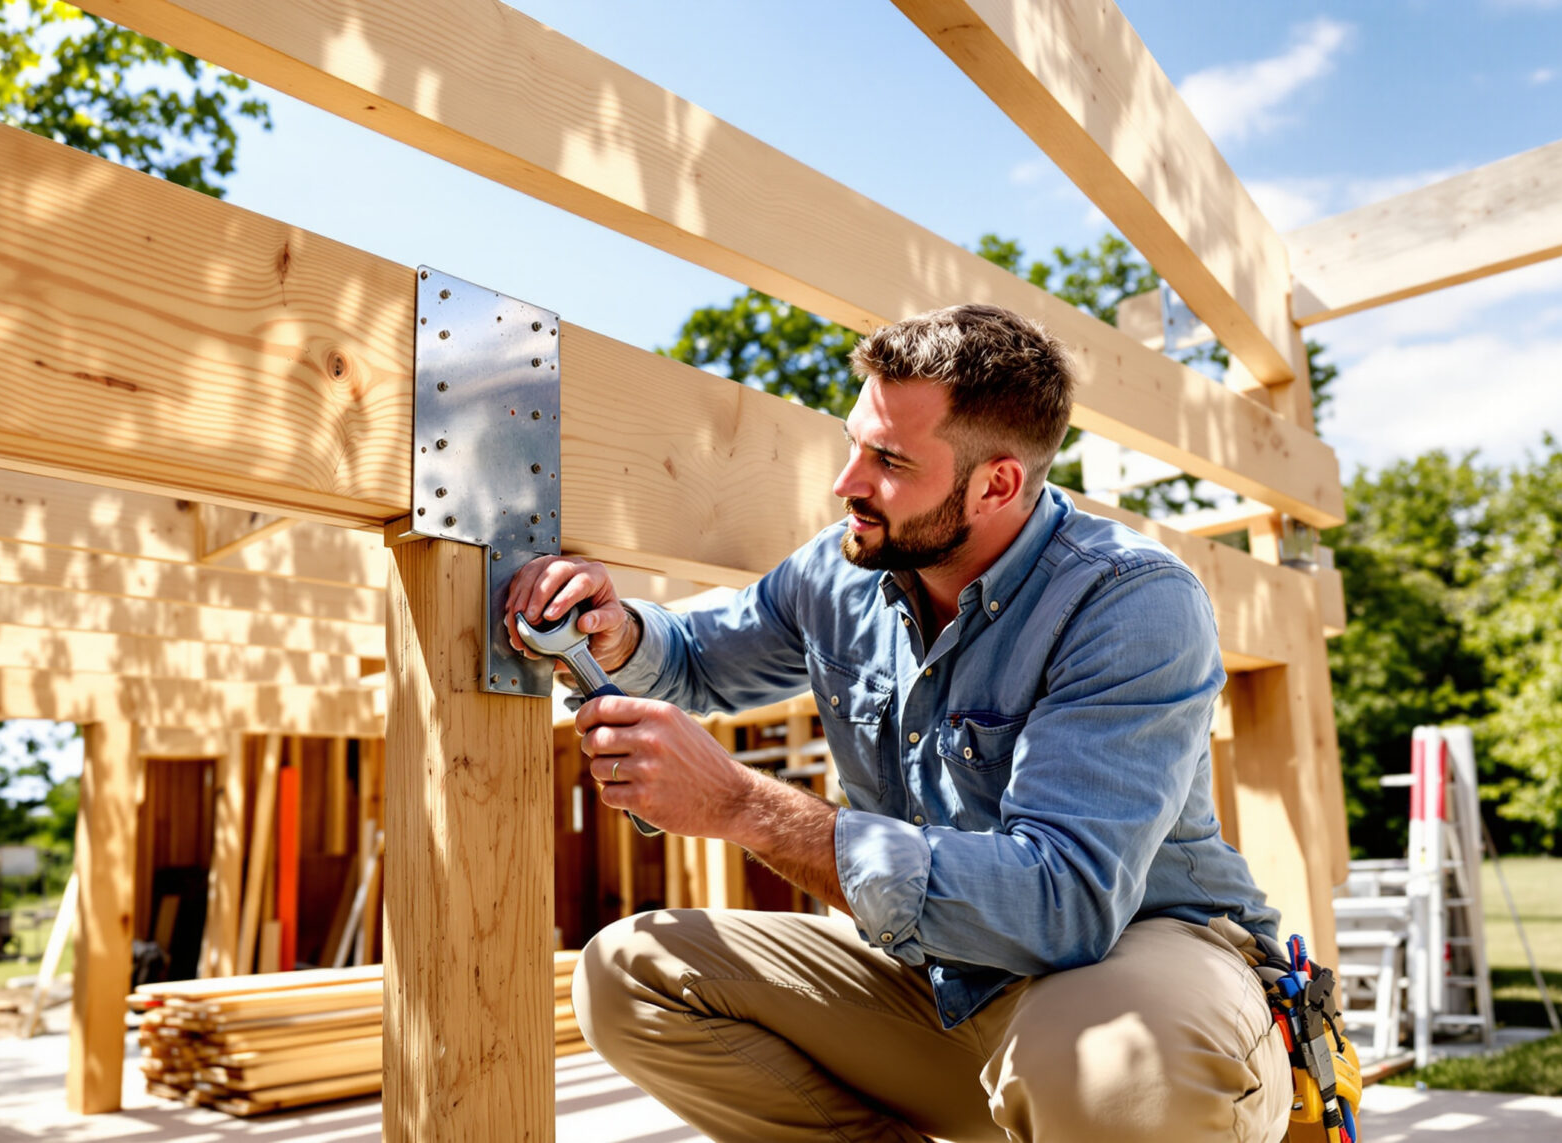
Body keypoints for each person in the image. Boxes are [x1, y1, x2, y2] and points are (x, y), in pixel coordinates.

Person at [503, 304, 1291, 1142]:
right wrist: (616, 632)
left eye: (888, 459)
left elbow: (1063, 903)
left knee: (1112, 1065)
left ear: (997, 485)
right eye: (854, 443)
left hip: (1137, 967)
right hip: (947, 990)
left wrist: (743, 805)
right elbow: (698, 658)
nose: (847, 481)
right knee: (632, 972)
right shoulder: (839, 571)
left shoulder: (1128, 599)